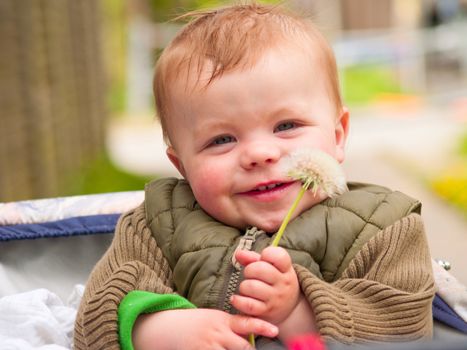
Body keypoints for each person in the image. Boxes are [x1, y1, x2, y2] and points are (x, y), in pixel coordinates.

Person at [74, 2, 435, 349]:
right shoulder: (156, 222)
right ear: (181, 165)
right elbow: (99, 308)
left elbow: (404, 327)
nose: (260, 154)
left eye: (286, 125)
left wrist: (297, 310)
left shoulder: (384, 226)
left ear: (338, 135)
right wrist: (156, 330)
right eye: (222, 140)